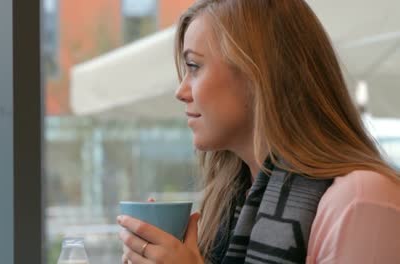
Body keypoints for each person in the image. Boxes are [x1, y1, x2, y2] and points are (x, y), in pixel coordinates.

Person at [116, 0, 400, 263]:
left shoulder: (361, 201)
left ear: (257, 73)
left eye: (194, 66)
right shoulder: (233, 204)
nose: (181, 91)